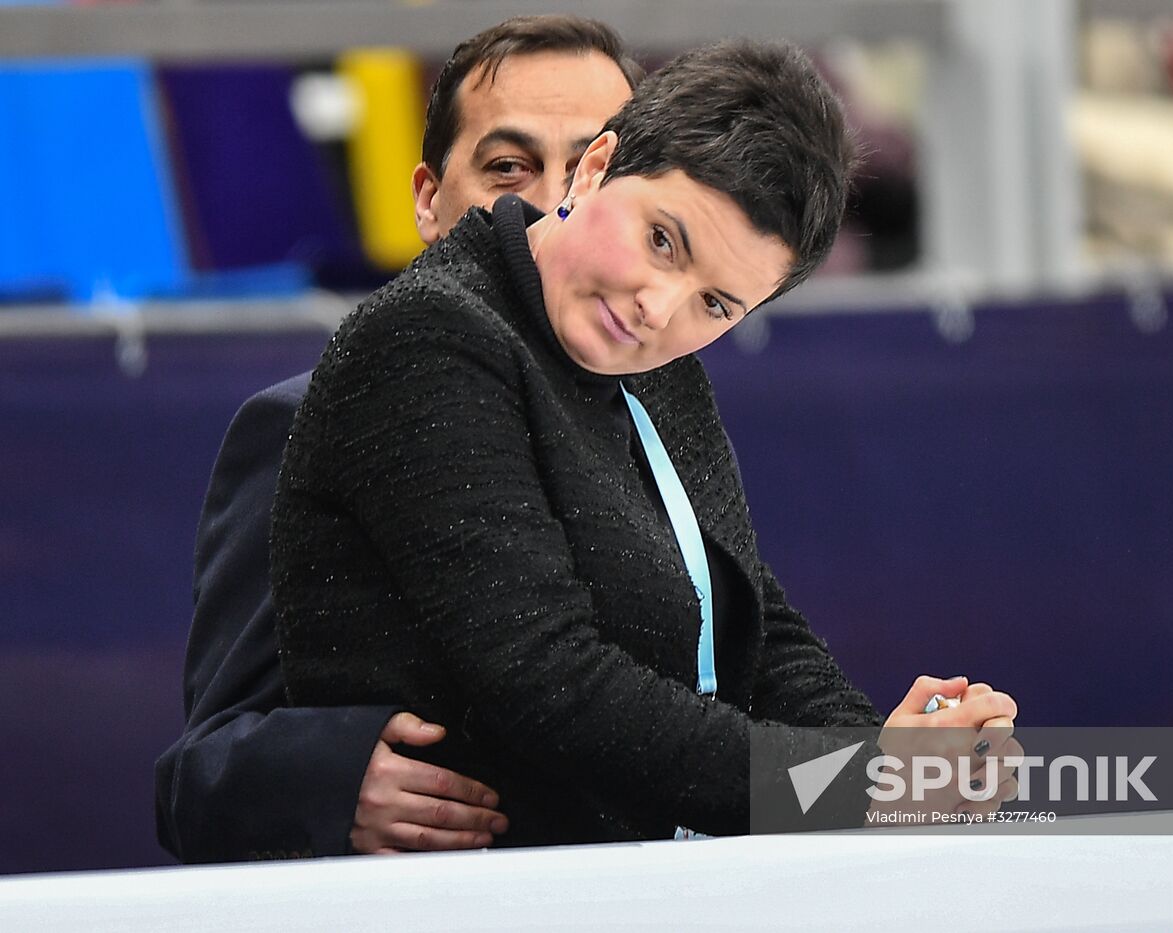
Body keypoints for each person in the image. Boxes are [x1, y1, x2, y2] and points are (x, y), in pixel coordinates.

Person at [271, 39, 1019, 847]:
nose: (659, 309)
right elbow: (548, 681)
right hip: (481, 894)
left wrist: (890, 760)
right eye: (663, 241)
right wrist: (850, 783)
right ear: (594, 169)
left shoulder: (657, 365)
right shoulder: (427, 337)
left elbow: (752, 624)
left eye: (717, 304)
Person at [155, 15, 642, 862]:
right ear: (428, 199)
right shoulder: (318, 419)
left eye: (593, 169)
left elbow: (724, 726)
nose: (554, 206)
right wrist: (334, 777)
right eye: (508, 167)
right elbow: (196, 784)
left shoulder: (664, 429)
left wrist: (889, 777)